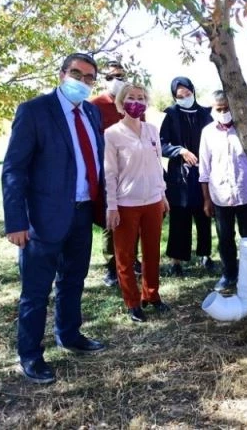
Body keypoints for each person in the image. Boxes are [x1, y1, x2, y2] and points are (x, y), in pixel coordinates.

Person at [2, 52, 106, 385]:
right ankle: (30, 355)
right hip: (42, 220)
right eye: (77, 74)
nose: (83, 82)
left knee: (73, 280)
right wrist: (16, 221)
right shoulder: (34, 111)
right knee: (35, 291)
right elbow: (14, 169)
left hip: (82, 211)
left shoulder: (91, 112)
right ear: (61, 74)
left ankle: (69, 334)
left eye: (90, 78)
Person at [104, 83, 171, 323]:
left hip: (153, 201)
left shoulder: (152, 130)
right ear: (121, 103)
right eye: (131, 97)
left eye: (141, 98)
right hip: (126, 204)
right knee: (125, 256)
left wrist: (162, 195)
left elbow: (157, 166)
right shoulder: (112, 134)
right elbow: (110, 173)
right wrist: (112, 206)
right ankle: (133, 302)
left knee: (152, 253)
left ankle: (151, 295)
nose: (137, 102)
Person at [199, 90, 247, 292]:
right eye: (219, 109)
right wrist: (207, 199)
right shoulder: (207, 133)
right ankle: (229, 274)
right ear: (212, 110)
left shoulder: (245, 130)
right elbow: (204, 169)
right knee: (225, 238)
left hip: (246, 194)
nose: (224, 112)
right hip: (220, 196)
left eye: (227, 108)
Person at [89, 60, 140, 286]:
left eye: (120, 76)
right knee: (111, 218)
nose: (116, 80)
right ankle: (111, 266)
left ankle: (132, 259)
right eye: (111, 77)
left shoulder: (133, 104)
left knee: (134, 217)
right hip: (107, 172)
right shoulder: (95, 105)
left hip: (133, 172)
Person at [160, 77, 214, 276]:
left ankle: (205, 256)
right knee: (179, 217)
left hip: (202, 174)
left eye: (187, 94)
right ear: (174, 96)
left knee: (204, 214)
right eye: (179, 96)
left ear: (193, 91)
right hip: (179, 177)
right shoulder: (171, 115)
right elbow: (162, 144)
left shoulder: (205, 114)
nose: (184, 98)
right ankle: (176, 261)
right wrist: (180, 150)